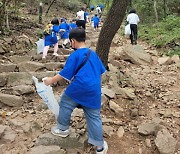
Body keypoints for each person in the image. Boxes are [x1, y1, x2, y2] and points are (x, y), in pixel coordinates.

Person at [43, 27, 108, 154]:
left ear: (72, 41)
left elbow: (65, 74)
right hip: (93, 90)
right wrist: (95, 87)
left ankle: (62, 129)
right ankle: (99, 147)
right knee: (94, 117)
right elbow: (101, 73)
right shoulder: (93, 54)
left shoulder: (75, 55)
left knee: (66, 103)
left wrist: (50, 80)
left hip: (77, 87)